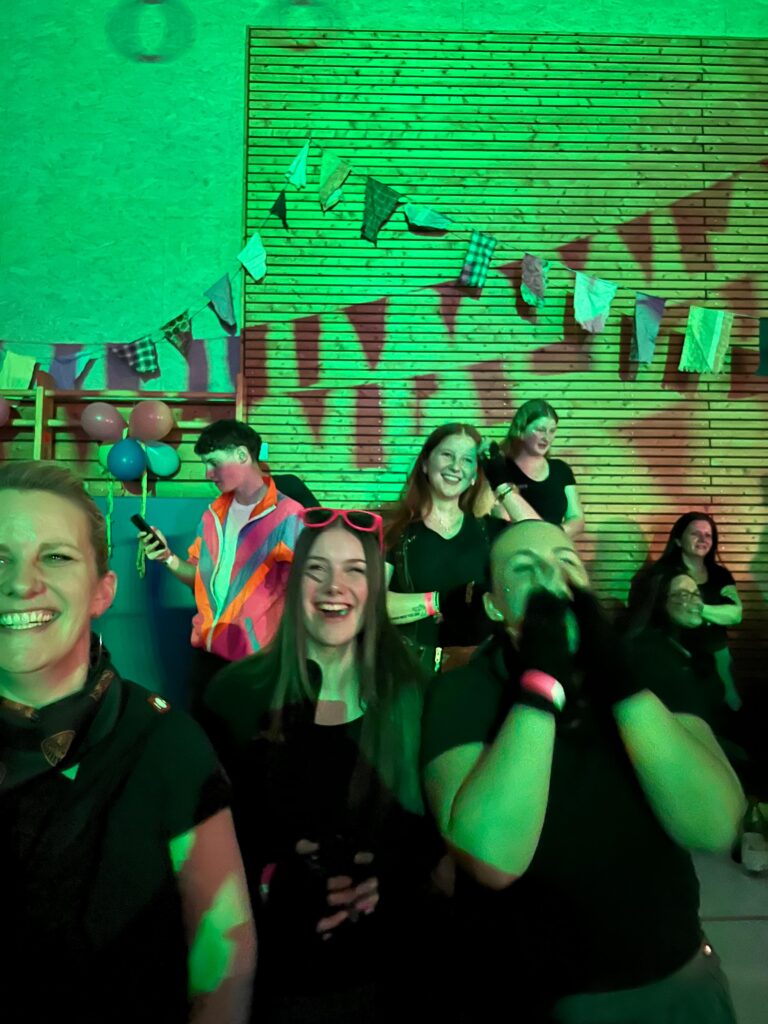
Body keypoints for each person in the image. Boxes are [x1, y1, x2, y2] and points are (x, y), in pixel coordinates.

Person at [423, 519, 744, 1023]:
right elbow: (492, 859)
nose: (552, 578)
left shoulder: (652, 665)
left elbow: (714, 824)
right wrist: (541, 683)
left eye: (567, 563)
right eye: (525, 569)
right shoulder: (464, 692)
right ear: (493, 605)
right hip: (530, 998)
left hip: (675, 982)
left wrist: (617, 679)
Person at [0, 461, 256, 1024]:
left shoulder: (167, 744)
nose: (20, 582)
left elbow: (223, 952)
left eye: (56, 557)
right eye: (0, 558)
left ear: (103, 591)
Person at [202, 507, 438, 1023]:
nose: (335, 586)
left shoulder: (417, 695)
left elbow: (434, 840)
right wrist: (276, 882)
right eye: (317, 569)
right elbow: (208, 851)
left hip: (392, 976)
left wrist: (387, 882)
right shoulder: (234, 697)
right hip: (275, 978)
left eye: (355, 569)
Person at [139, 418, 304, 707]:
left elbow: (307, 592)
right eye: (205, 464)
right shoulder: (211, 516)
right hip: (207, 656)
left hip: (259, 662)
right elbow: (199, 580)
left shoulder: (290, 516)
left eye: (214, 462)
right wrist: (168, 558)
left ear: (242, 455)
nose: (208, 473)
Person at [384, 422, 509, 674]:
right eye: (447, 455)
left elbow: (544, 537)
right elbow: (373, 604)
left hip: (475, 674)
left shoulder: (490, 531)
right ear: (425, 464)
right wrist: (442, 601)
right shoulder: (393, 529)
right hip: (408, 671)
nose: (455, 466)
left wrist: (502, 485)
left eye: (467, 460)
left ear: (474, 475)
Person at [628, 512, 742, 709]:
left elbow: (735, 615)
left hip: (716, 656)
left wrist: (693, 608)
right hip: (674, 655)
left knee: (730, 707)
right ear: (678, 540)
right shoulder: (660, 574)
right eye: (695, 534)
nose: (703, 539)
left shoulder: (720, 574)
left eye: (708, 535)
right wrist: (715, 613)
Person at [479, 399, 585, 538]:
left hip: (553, 547)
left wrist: (554, 535)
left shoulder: (561, 469)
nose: (547, 437)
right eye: (540, 430)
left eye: (552, 431)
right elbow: (504, 519)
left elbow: (577, 518)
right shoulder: (499, 470)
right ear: (521, 430)